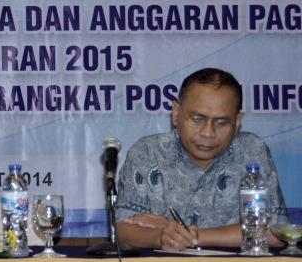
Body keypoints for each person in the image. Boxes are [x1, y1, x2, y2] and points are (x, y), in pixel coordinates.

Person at [116, 67, 287, 250]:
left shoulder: (251, 150)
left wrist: (189, 235)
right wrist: (161, 237)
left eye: (221, 122)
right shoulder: (147, 152)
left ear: (237, 121)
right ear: (176, 113)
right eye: (197, 119)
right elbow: (123, 229)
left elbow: (275, 234)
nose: (208, 133)